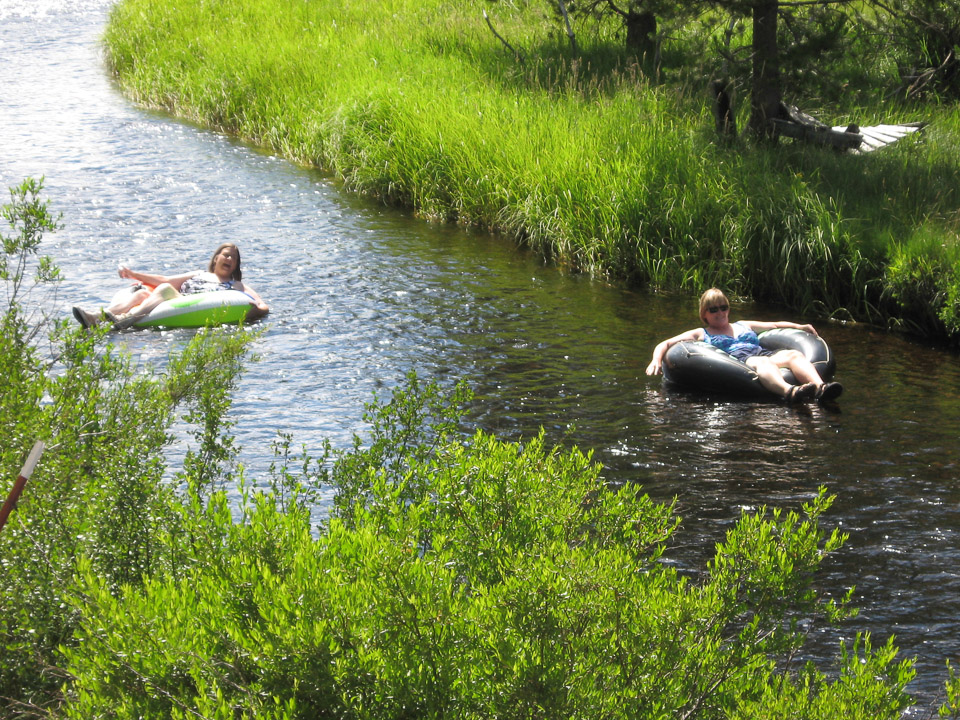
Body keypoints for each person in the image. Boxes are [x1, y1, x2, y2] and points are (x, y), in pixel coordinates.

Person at [645, 288, 843, 403]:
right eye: (713, 309)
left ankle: (820, 388)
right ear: (704, 314)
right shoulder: (701, 333)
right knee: (763, 363)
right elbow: (667, 343)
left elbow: (774, 325)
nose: (720, 312)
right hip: (742, 362)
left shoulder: (742, 325)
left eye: (724, 307)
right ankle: (789, 392)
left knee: (793, 355)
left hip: (763, 353)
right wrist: (655, 360)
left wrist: (799, 326)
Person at [72, 243, 269, 330]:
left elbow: (261, 304)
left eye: (233, 258)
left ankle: (124, 321)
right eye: (226, 255)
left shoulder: (235, 284)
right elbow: (162, 278)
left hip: (192, 304)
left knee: (165, 290)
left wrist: (252, 312)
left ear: (236, 266)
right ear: (216, 258)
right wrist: (133, 274)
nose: (229, 259)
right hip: (172, 301)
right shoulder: (198, 275)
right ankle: (98, 317)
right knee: (141, 293)